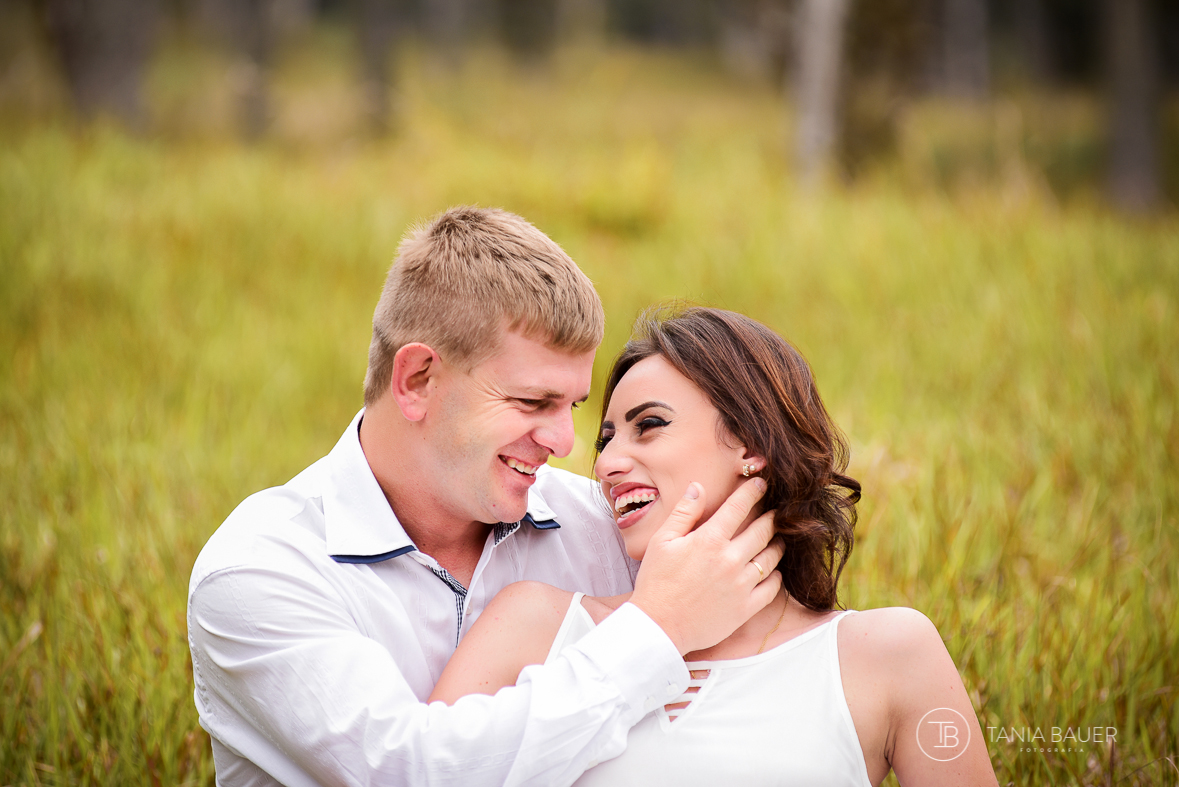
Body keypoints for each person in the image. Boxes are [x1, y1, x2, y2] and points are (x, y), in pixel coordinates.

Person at [187, 208, 785, 786]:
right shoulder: (259, 568)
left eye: (573, 406)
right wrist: (656, 629)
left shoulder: (606, 528)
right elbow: (410, 774)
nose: (566, 442)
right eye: (532, 403)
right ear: (418, 381)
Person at [430, 306, 1000, 787]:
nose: (605, 463)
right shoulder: (532, 626)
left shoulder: (888, 654)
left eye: (648, 425)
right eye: (605, 440)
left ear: (752, 443)